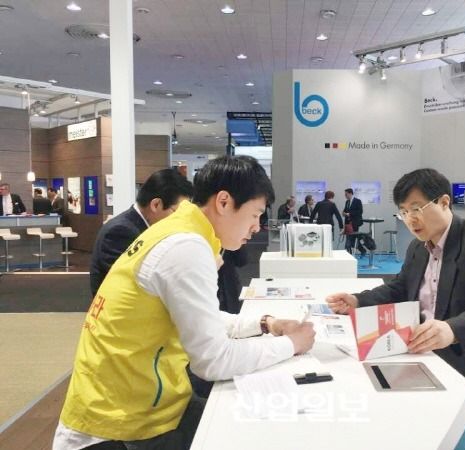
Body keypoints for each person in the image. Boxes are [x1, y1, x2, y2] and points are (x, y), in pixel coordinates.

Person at [54, 156, 315, 450]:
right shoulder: (186, 247)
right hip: (117, 427)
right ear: (224, 202)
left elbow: (197, 317)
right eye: (255, 215)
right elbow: (213, 361)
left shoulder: (179, 232)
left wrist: (265, 324)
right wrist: (292, 344)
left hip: (138, 408)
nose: (256, 227)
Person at [326, 168, 465, 398]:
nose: (410, 219)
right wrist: (357, 300)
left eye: (416, 209)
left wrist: (453, 329)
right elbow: (399, 288)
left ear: (444, 202)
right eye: (403, 212)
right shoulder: (418, 247)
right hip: (424, 357)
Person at [89, 168, 194, 297]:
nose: (179, 219)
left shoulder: (142, 226)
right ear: (156, 205)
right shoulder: (120, 232)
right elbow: (136, 284)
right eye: (177, 212)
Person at [342, 188, 366, 256]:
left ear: (350, 193)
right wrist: (343, 213)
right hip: (348, 223)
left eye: (346, 194)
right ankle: (350, 252)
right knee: (350, 238)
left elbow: (360, 211)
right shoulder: (347, 202)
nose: (345, 196)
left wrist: (350, 214)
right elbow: (345, 210)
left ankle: (360, 251)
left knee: (353, 238)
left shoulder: (357, 201)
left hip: (355, 223)